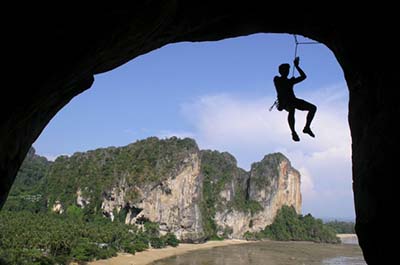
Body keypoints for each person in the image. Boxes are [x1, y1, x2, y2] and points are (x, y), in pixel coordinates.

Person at [273, 57, 317, 142]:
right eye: (285, 70)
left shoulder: (290, 81)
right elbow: (281, 86)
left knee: (313, 108)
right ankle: (293, 132)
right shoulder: (277, 79)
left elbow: (304, 76)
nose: (287, 72)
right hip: (284, 102)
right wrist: (290, 81)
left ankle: (307, 127)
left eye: (287, 70)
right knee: (292, 108)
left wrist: (297, 66)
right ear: (281, 71)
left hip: (293, 100)